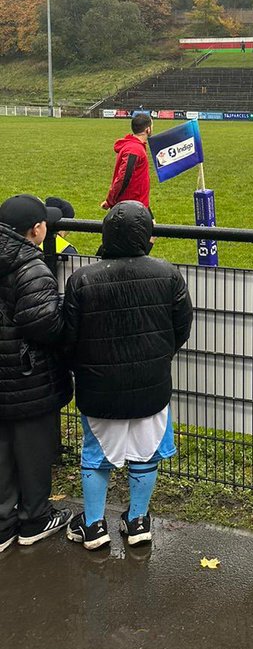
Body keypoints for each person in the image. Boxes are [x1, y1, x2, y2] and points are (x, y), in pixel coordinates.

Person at [64, 202, 193, 550]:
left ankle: (93, 527)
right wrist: (156, 357)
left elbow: (68, 337)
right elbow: (181, 327)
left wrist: (86, 367)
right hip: (151, 384)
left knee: (96, 454)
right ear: (147, 238)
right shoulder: (167, 273)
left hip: (98, 387)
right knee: (146, 452)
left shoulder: (81, 279)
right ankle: (137, 521)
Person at [0, 195, 73, 551]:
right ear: (38, 229)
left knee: (1, 448)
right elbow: (44, 325)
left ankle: (3, 524)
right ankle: (35, 519)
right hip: (27, 377)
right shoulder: (31, 266)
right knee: (32, 448)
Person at [102, 112, 152, 211]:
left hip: (138, 204)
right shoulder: (134, 149)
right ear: (148, 129)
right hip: (131, 209)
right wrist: (110, 201)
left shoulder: (135, 146)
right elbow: (123, 178)